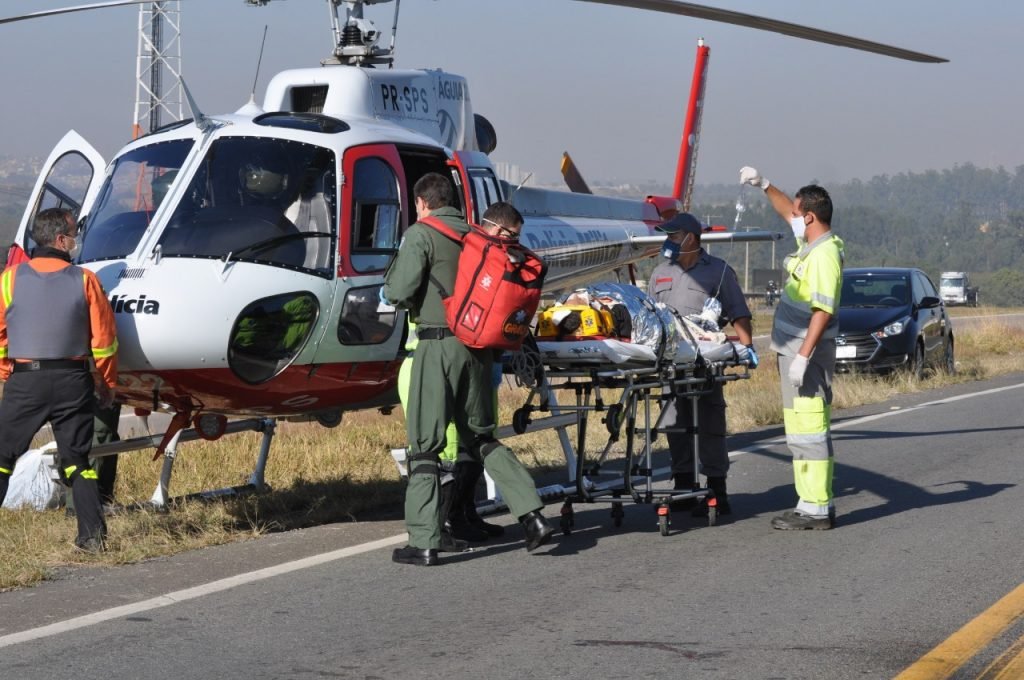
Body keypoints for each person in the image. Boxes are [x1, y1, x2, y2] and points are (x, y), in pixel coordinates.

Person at [383, 180, 552, 566]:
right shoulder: (479, 236)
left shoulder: (422, 234)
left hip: (436, 347)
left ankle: (424, 541)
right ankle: (533, 515)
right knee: (481, 438)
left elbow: (398, 292)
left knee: (424, 447)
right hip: (479, 351)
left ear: (422, 202)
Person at [0, 207, 119, 551]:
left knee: (3, 458)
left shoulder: (9, 279)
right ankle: (92, 539)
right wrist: (107, 384)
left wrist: (7, 372)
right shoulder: (86, 280)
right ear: (60, 240)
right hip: (72, 381)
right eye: (73, 234)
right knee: (78, 461)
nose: (75, 240)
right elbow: (105, 341)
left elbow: (1, 333)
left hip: (26, 381)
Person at [740, 166, 844, 530]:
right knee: (801, 429)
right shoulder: (811, 244)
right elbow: (787, 210)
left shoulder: (824, 256)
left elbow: (822, 310)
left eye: (800, 214)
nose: (793, 217)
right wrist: (765, 185)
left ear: (811, 217)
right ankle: (809, 503)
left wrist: (802, 357)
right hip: (796, 352)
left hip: (807, 356)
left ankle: (816, 508)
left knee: (810, 428)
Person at [649, 212, 757, 516]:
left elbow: (739, 312)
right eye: (667, 235)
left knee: (710, 424)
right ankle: (683, 486)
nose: (668, 241)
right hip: (670, 363)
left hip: (705, 363)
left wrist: (748, 348)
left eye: (673, 235)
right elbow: (649, 316)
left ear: (691, 238)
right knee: (674, 422)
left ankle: (716, 489)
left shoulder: (718, 271)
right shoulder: (660, 272)